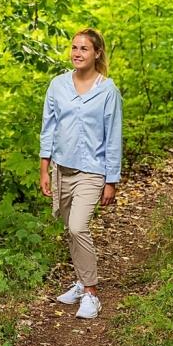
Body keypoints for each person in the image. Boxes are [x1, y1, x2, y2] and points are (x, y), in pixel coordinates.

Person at [38, 28, 122, 320]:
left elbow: (113, 136)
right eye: (74, 48)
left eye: (84, 49)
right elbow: (48, 128)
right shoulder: (58, 85)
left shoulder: (107, 90)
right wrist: (45, 169)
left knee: (77, 227)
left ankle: (91, 293)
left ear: (97, 53)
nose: (77, 53)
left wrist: (112, 180)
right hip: (62, 169)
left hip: (92, 170)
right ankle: (80, 279)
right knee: (70, 229)